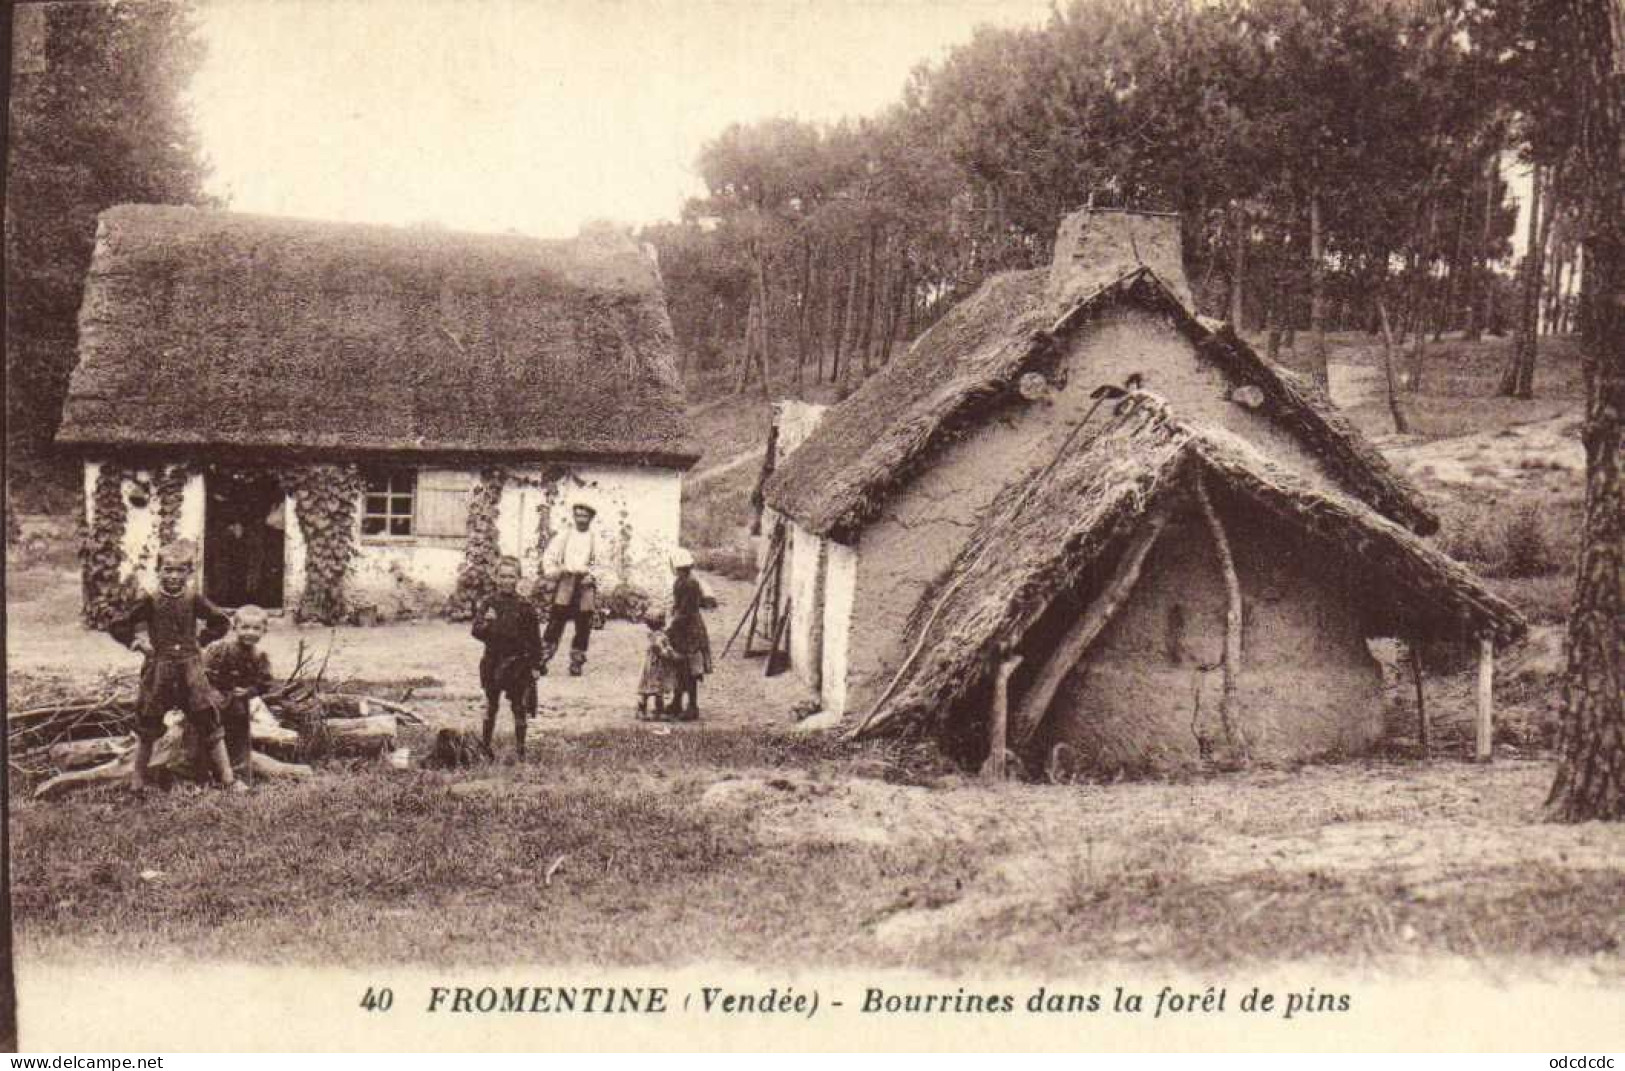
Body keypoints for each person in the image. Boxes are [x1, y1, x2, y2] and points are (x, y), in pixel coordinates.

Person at [107, 540, 240, 793]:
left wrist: (201, 641)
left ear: (189, 573)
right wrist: (137, 644)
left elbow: (221, 621)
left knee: (208, 720)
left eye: (180, 570)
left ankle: (228, 779)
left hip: (191, 671)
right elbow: (118, 623)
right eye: (168, 569)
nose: (174, 576)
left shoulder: (193, 598)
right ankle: (137, 783)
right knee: (147, 724)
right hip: (159, 670)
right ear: (158, 571)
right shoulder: (150, 600)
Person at [472, 556, 542, 759]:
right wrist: (487, 625)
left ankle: (520, 750)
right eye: (502, 576)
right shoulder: (489, 603)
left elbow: (535, 640)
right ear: (496, 578)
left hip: (517, 663)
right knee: (491, 705)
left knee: (519, 707)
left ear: (518, 578)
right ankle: (485, 747)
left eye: (511, 576)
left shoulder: (525, 606)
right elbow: (475, 630)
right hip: (493, 660)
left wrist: (536, 666)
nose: (506, 581)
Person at [202, 604, 275, 783]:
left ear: (265, 630)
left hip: (238, 706)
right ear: (235, 628)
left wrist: (249, 691)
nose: (250, 632)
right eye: (245, 627)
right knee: (209, 737)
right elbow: (203, 672)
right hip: (214, 703)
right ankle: (205, 775)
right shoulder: (220, 649)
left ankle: (239, 778)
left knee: (239, 741)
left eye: (256, 628)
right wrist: (213, 691)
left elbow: (265, 683)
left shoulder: (260, 656)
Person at [539, 502, 599, 677]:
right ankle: (543, 659)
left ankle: (576, 662)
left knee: (583, 625)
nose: (581, 519)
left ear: (591, 518)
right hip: (566, 581)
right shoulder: (563, 536)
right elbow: (549, 557)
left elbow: (602, 563)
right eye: (578, 515)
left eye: (584, 516)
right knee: (555, 622)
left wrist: (592, 575)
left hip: (585, 584)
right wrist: (556, 571)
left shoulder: (595, 539)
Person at [667, 548, 712, 721]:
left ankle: (692, 706)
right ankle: (677, 701)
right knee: (679, 666)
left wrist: (672, 625)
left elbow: (686, 610)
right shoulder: (680, 581)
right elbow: (679, 605)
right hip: (682, 627)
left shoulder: (690, 583)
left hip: (690, 629)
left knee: (690, 668)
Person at [635, 610, 678, 721]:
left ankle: (657, 710)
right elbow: (659, 649)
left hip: (656, 665)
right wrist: (670, 654)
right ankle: (643, 709)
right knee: (654, 687)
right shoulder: (656, 637)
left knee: (656, 688)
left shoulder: (658, 635)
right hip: (655, 665)